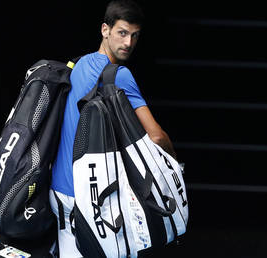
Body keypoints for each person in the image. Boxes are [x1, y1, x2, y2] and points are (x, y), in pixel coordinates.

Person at [49, 0, 177, 257]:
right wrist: (174, 166)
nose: (128, 43)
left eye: (135, 36)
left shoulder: (76, 65)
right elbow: (156, 136)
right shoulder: (119, 75)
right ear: (104, 30)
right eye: (122, 32)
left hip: (59, 194)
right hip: (93, 198)